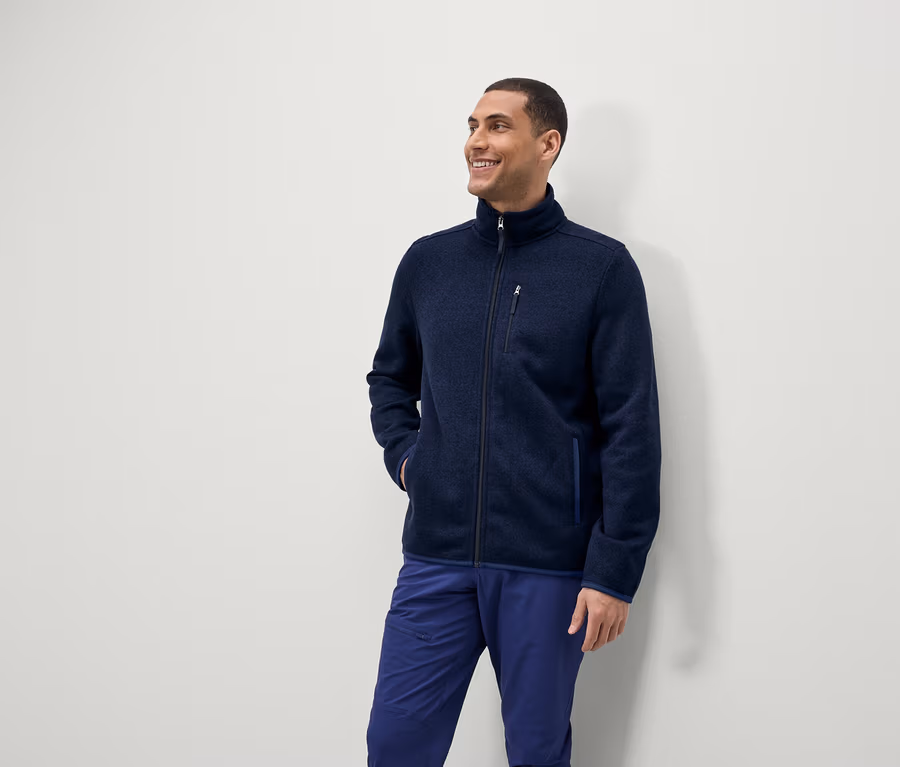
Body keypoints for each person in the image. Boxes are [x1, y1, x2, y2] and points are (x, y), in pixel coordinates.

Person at [365, 77, 661, 767]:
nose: (477, 140)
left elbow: (631, 427)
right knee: (395, 744)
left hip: (548, 565)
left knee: (535, 751)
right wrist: (410, 460)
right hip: (436, 555)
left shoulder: (600, 268)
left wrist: (613, 571)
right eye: (472, 125)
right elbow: (389, 378)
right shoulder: (429, 263)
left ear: (547, 143)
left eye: (497, 125)